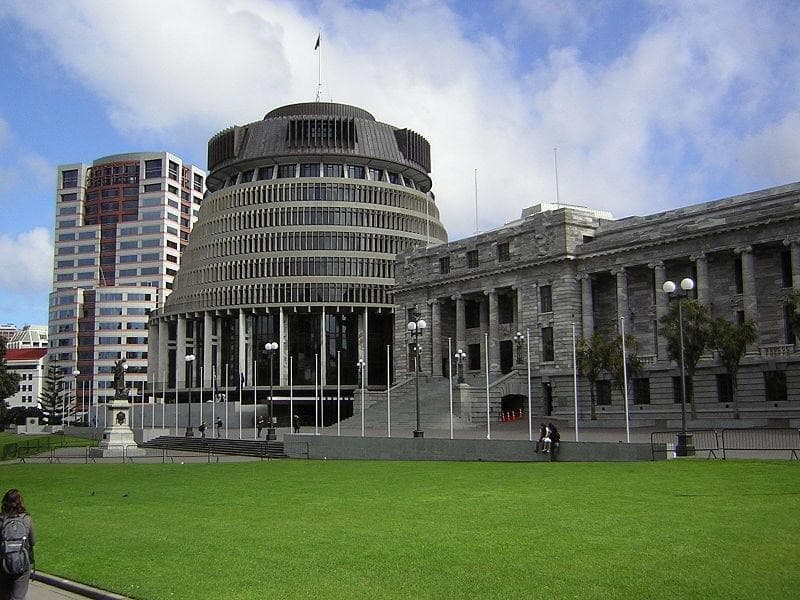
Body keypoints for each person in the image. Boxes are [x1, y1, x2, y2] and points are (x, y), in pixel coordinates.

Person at [0, 488, 35, 600]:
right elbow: (33, 541)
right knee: (18, 596)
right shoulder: (26, 519)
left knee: (4, 595)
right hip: (22, 562)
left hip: (3, 562)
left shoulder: (1, 520)